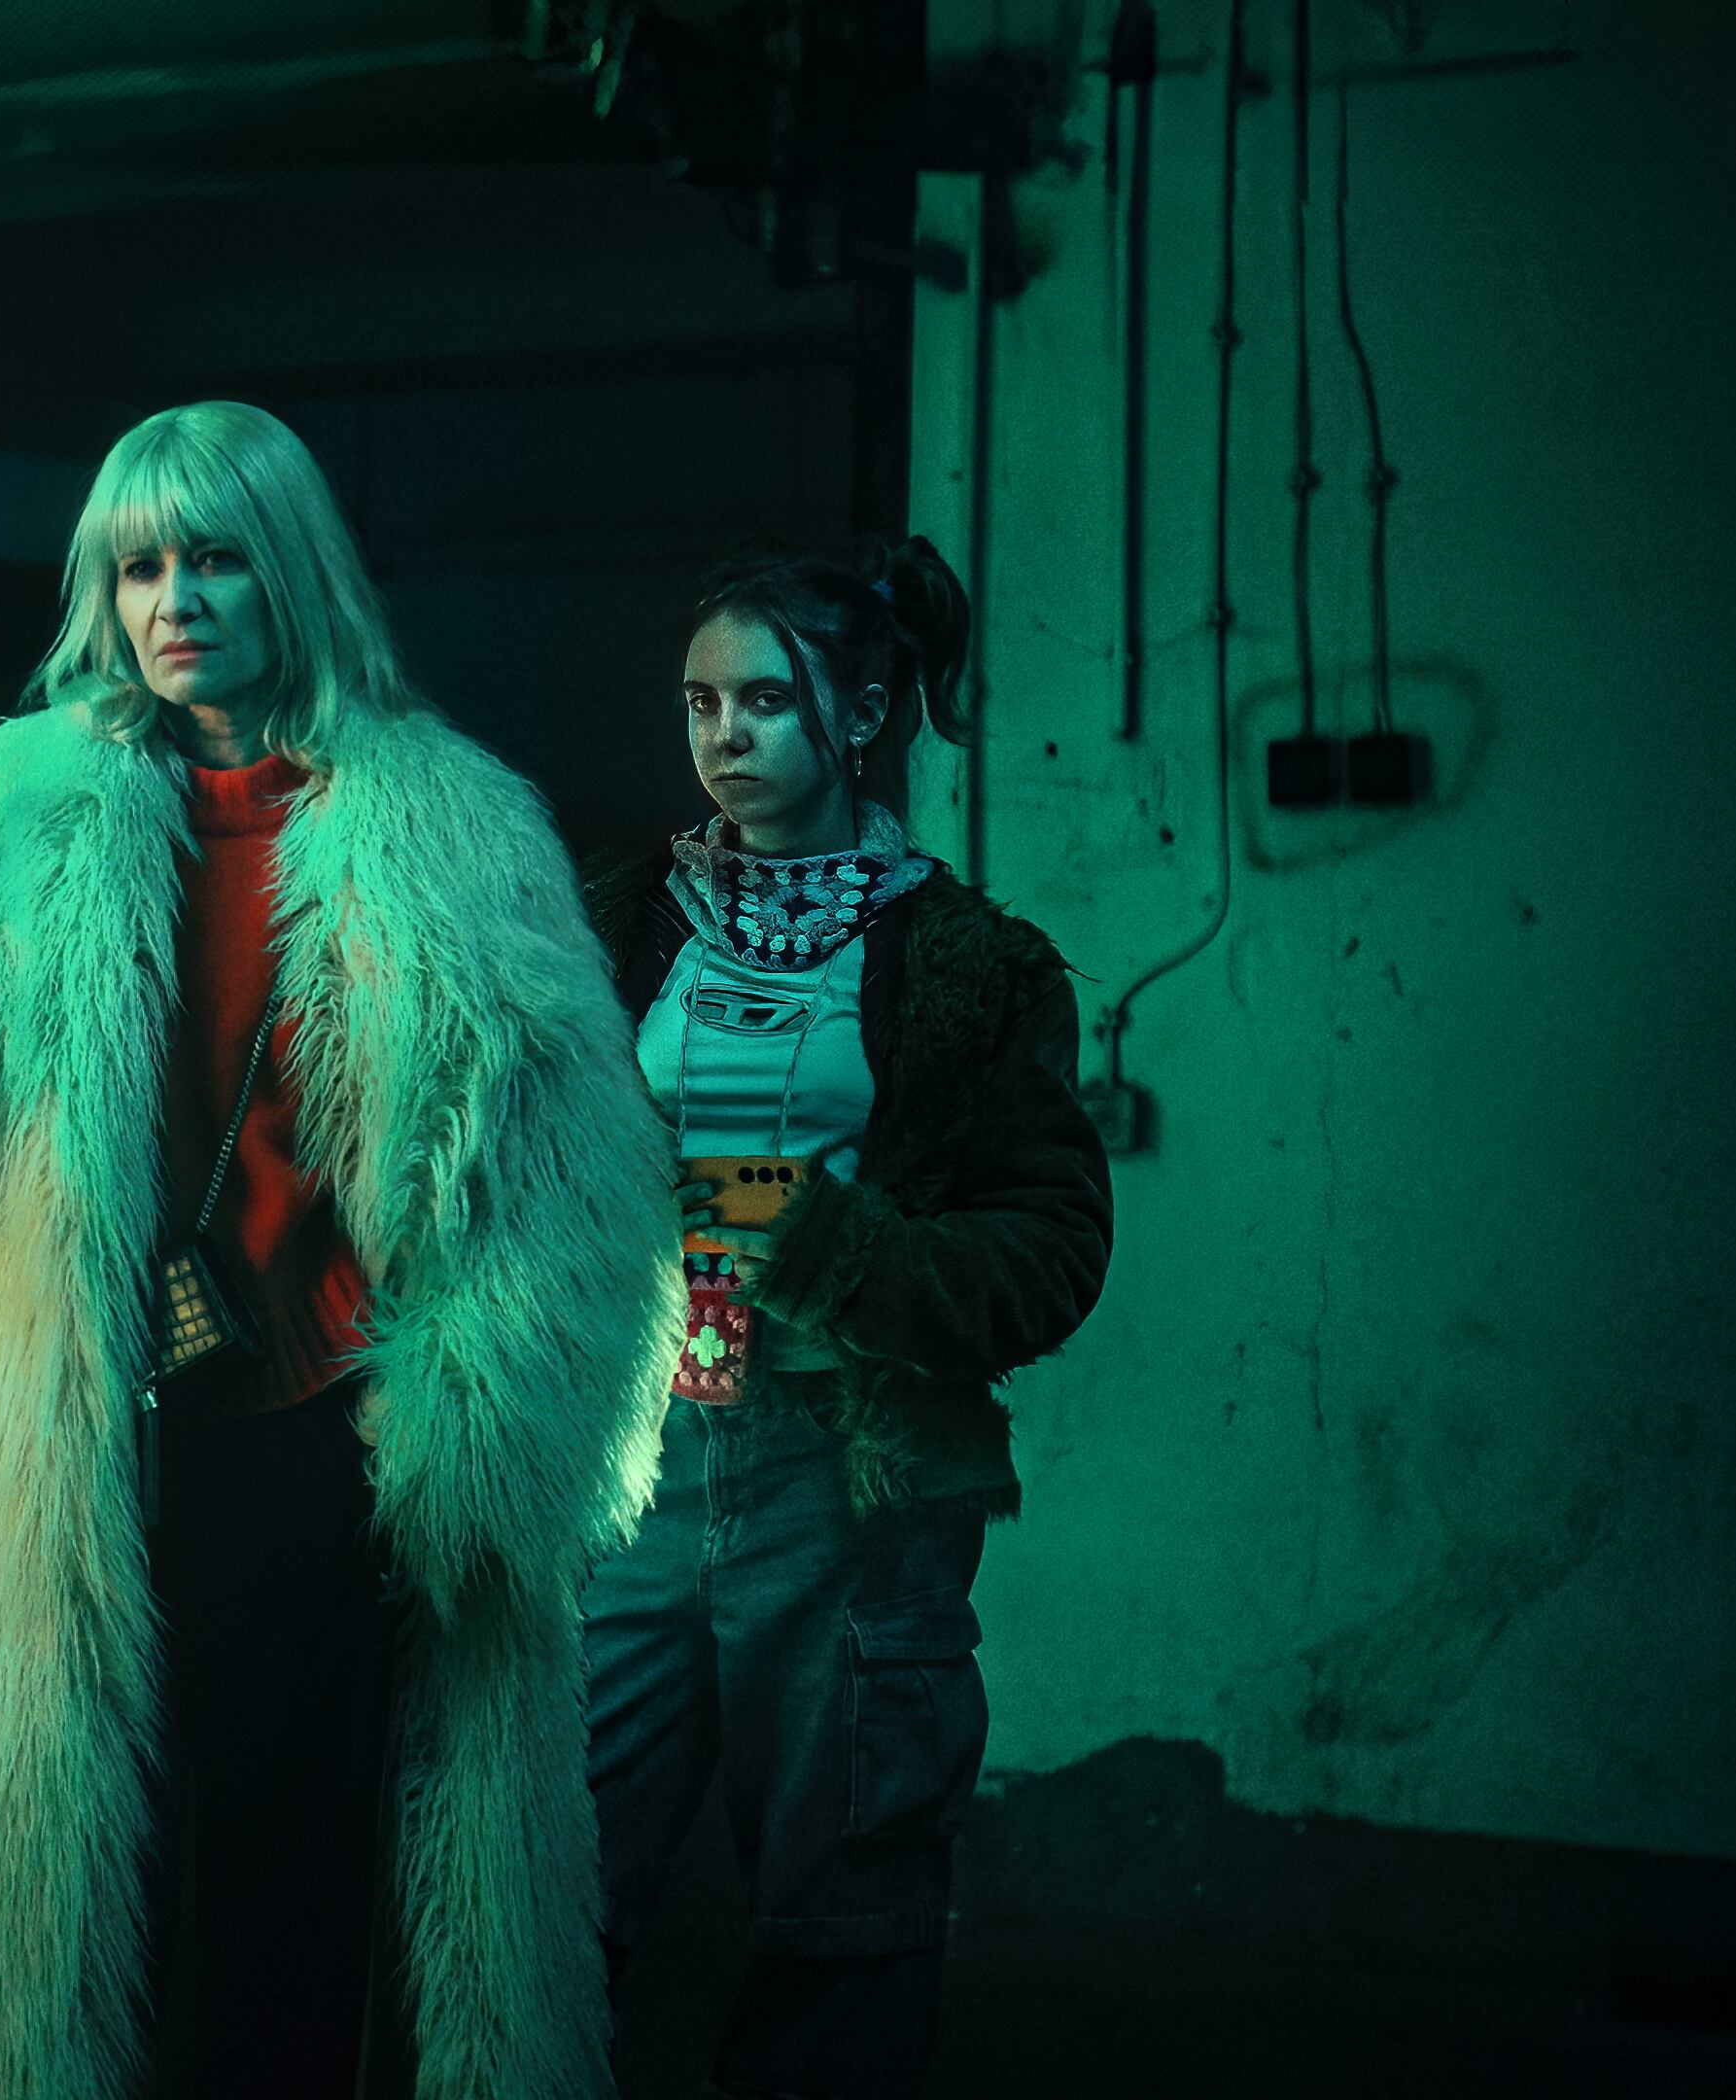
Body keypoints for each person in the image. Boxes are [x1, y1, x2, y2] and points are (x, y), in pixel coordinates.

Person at [0, 401, 677, 2099]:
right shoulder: (9, 817)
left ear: (292, 569)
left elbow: (574, 1186)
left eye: (215, 557)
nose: (176, 601)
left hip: (327, 1444)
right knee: (67, 1923)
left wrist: (449, 1424)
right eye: (139, 565)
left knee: (300, 1908)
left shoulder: (454, 830)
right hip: (59, 1444)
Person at [579, 540, 1115, 2097]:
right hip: (631, 1462)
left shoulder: (969, 966)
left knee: (842, 1913)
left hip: (846, 1478)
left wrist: (814, 1238)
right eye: (701, 703)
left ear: (865, 715)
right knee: (545, 1872)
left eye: (767, 700)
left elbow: (1050, 1248)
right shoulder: (615, 920)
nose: (724, 736)